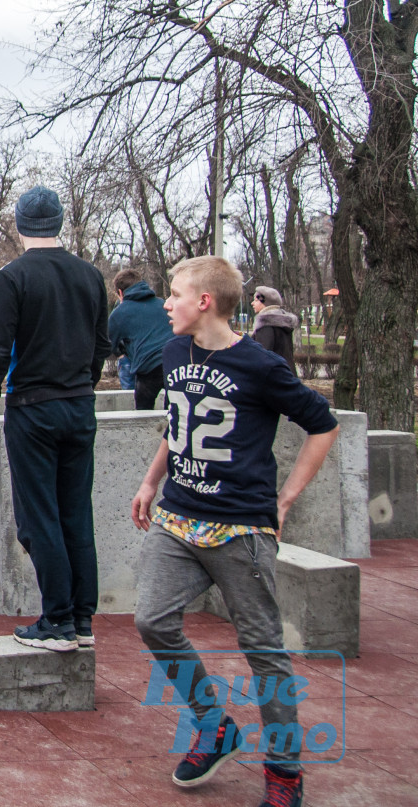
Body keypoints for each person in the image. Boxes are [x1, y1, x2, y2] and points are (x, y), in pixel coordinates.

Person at [130, 256, 337, 807]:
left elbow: (323, 423)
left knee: (263, 648)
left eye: (175, 294)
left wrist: (286, 498)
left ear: (205, 302)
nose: (166, 303)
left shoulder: (260, 365)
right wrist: (151, 482)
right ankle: (213, 725)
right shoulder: (175, 351)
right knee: (152, 620)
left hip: (239, 529)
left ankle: (284, 770)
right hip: (176, 520)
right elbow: (176, 423)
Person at [0, 186, 111, 652]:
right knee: (76, 513)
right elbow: (102, 344)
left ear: (19, 224)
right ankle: (83, 620)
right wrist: (83, 383)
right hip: (78, 405)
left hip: (33, 407)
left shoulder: (13, 277)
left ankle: (58, 621)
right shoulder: (90, 275)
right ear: (60, 222)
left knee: (38, 517)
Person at [109, 268, 176, 410]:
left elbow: (108, 344)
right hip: (174, 361)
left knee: (143, 407)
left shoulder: (120, 313)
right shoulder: (162, 303)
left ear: (120, 293)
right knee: (172, 408)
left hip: (148, 366)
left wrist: (121, 350)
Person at [251, 285, 299, 378]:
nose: (252, 303)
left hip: (273, 379)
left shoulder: (266, 324)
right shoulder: (283, 323)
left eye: (256, 300)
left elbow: (263, 356)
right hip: (287, 375)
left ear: (265, 302)